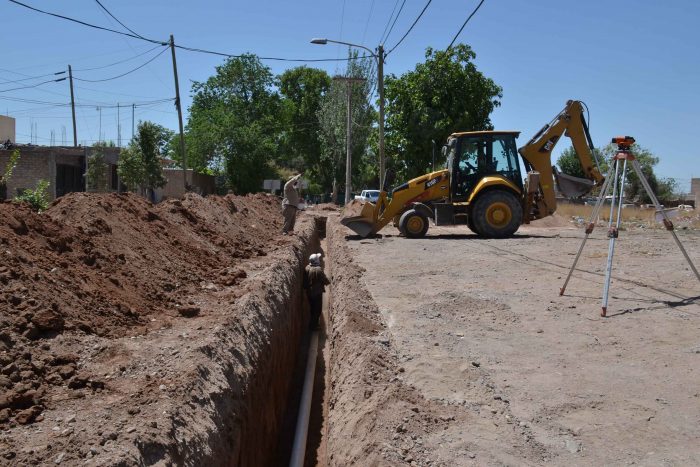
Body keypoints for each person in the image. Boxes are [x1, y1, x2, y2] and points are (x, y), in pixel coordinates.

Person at [303, 253, 330, 330]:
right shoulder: (318, 269)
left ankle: (312, 323)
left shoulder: (307, 268)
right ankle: (313, 326)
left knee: (312, 308)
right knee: (317, 310)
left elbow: (305, 283)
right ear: (316, 261)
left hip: (309, 293)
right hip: (317, 293)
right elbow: (326, 281)